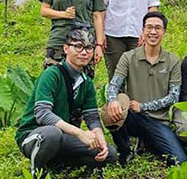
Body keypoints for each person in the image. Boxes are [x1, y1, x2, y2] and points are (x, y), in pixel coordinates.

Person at [15, 29, 117, 178]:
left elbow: (92, 117)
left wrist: (99, 137)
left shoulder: (86, 82)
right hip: (34, 135)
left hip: (64, 137)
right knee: (52, 134)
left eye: (89, 48)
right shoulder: (51, 75)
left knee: (110, 154)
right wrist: (80, 133)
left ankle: (57, 164)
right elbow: (42, 114)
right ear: (66, 48)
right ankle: (37, 171)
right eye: (78, 46)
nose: (84, 52)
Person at [102, 12, 186, 165]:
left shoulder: (172, 61)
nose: (153, 32)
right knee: (112, 107)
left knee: (178, 160)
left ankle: (147, 142)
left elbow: (173, 97)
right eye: (149, 27)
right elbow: (113, 85)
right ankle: (124, 150)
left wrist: (144, 106)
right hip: (133, 117)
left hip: (158, 121)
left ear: (164, 32)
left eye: (158, 28)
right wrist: (113, 100)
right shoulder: (128, 57)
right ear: (143, 30)